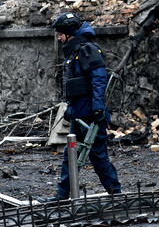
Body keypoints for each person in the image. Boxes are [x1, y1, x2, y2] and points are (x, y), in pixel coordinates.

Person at [41, 12, 121, 202]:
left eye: (60, 34)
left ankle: (116, 195)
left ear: (69, 33)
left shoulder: (87, 50)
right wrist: (70, 109)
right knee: (70, 156)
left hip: (91, 116)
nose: (59, 38)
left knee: (98, 157)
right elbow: (74, 85)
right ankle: (62, 194)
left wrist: (98, 109)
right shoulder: (75, 51)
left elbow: (99, 80)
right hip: (79, 114)